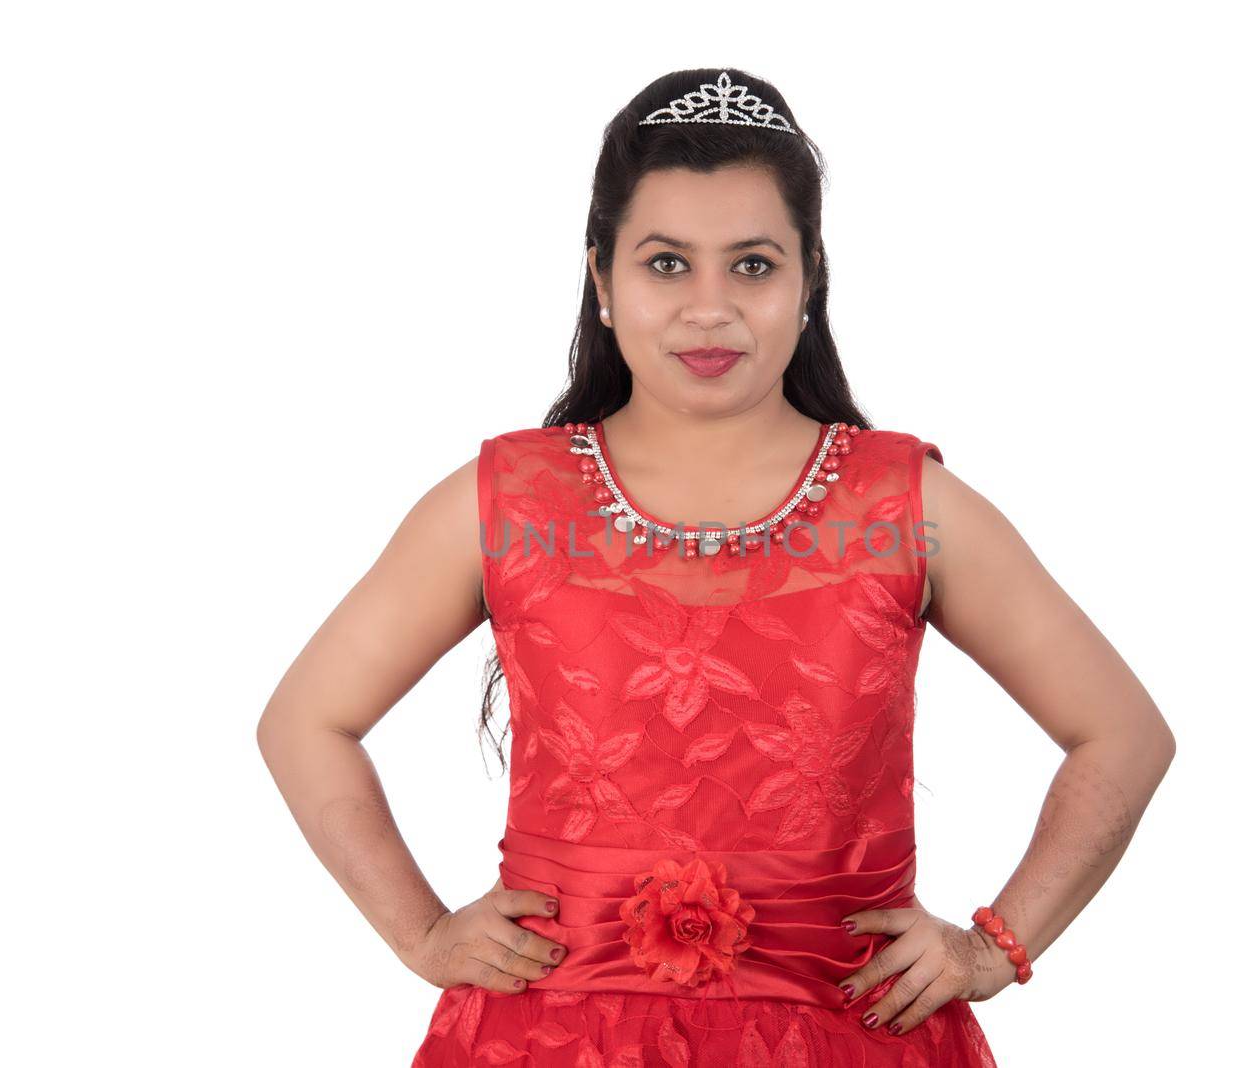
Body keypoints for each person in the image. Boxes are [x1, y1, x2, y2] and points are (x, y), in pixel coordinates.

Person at [256, 68, 1176, 1067]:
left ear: (809, 278)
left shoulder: (908, 508)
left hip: (847, 1034)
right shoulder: (503, 504)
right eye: (665, 264)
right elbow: (306, 721)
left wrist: (994, 949)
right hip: (555, 1036)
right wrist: (422, 935)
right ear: (602, 280)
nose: (708, 308)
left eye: (750, 265)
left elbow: (1121, 734)